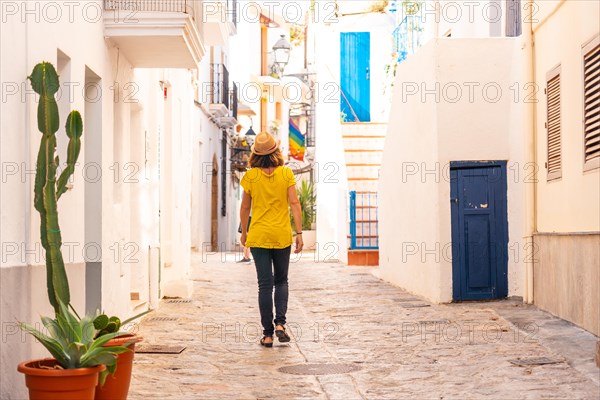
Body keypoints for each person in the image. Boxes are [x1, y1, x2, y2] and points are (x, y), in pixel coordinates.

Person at [239, 132, 303, 348]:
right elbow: (295, 203)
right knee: (282, 281)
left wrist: (244, 233)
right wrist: (300, 233)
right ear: (276, 151)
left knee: (264, 285)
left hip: (258, 236)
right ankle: (280, 325)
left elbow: (245, 207)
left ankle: (267, 334)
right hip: (281, 235)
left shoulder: (250, 177)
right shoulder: (286, 174)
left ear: (255, 154)